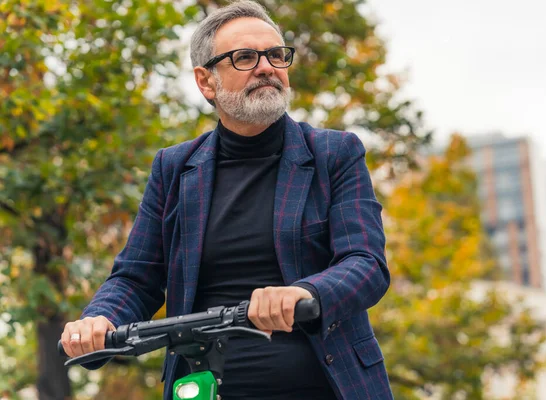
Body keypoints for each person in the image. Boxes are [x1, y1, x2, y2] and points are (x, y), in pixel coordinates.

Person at [60, 1, 393, 399]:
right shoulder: (174, 167)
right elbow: (137, 277)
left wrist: (305, 293)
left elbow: (366, 263)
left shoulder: (333, 153)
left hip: (324, 385)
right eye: (245, 57)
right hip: (202, 387)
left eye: (275, 55)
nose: (267, 67)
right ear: (206, 82)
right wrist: (98, 320)